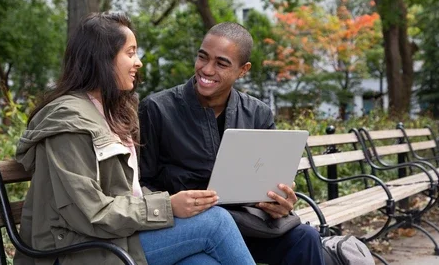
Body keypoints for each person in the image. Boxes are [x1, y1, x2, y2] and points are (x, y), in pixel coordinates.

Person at [14, 13, 256, 265]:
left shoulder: (108, 111)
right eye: (130, 53)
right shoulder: (69, 122)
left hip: (116, 238)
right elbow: (90, 214)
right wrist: (167, 206)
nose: (138, 62)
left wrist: (172, 202)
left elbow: (128, 193)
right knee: (215, 221)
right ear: (102, 59)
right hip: (76, 250)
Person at [139, 22, 325, 265]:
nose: (206, 69)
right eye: (202, 57)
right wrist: (170, 203)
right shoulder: (157, 109)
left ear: (243, 70)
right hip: (189, 228)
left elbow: (269, 180)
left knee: (306, 238)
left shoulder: (258, 113)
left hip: (245, 225)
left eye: (221, 63)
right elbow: (140, 182)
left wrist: (281, 203)